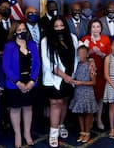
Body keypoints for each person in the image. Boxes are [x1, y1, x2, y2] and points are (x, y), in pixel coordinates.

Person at [41, 16, 78, 147]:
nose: (59, 28)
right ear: (52, 28)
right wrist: (64, 76)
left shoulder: (72, 38)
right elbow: (48, 64)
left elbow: (79, 54)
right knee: (55, 103)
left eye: (61, 26)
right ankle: (53, 132)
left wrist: (90, 60)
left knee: (65, 101)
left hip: (70, 76)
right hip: (54, 78)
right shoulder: (46, 41)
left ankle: (61, 124)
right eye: (56, 26)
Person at [2, 21, 40, 148]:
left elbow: (37, 64)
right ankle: (17, 134)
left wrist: (32, 81)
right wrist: (17, 82)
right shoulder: (9, 46)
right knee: (15, 109)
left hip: (30, 83)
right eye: (19, 30)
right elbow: (6, 67)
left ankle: (27, 133)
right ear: (14, 32)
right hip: (14, 84)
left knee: (28, 108)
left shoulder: (32, 44)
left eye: (24, 29)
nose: (22, 31)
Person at [81, 19, 111, 130]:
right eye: (93, 26)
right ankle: (90, 118)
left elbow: (109, 56)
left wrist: (100, 53)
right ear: (90, 28)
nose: (95, 29)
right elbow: (80, 57)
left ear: (101, 28)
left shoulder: (106, 39)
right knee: (89, 96)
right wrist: (90, 52)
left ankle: (98, 119)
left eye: (98, 26)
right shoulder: (85, 39)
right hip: (87, 73)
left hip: (102, 71)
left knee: (100, 97)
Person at [69, 45, 98, 143]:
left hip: (87, 93)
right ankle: (82, 132)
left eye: (83, 53)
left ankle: (87, 132)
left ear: (87, 54)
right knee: (80, 113)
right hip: (78, 92)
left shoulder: (90, 65)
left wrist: (81, 82)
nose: (81, 55)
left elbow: (94, 82)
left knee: (88, 114)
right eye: (79, 53)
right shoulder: (76, 65)